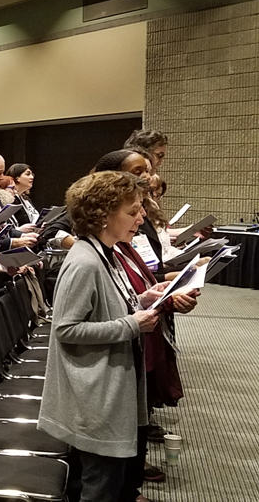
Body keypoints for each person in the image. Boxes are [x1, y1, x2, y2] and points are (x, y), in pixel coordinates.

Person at [38, 170, 196, 502]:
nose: (141, 218)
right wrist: (132, 325)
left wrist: (146, 298)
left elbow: (108, 306)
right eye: (132, 211)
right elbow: (66, 329)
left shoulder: (107, 253)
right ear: (103, 214)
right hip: (95, 394)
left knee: (109, 481)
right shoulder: (85, 262)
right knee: (100, 486)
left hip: (109, 386)